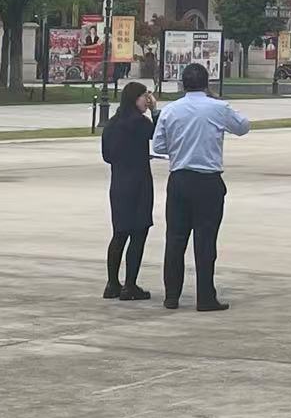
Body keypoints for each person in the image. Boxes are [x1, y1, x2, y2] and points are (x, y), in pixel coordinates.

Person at [152, 61, 250, 311]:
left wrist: (180, 147)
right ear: (207, 84)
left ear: (183, 84)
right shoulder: (218, 108)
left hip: (180, 179)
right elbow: (243, 127)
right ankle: (205, 296)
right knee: (205, 241)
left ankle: (171, 295)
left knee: (175, 239)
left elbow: (159, 146)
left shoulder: (170, 110)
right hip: (207, 180)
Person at [100, 81, 157, 301]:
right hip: (139, 183)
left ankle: (112, 283)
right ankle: (130, 284)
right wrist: (155, 111)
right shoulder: (140, 123)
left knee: (120, 233)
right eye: (145, 97)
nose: (147, 101)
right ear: (135, 99)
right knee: (138, 233)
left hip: (119, 183)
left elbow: (107, 156)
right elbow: (158, 136)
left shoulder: (112, 123)